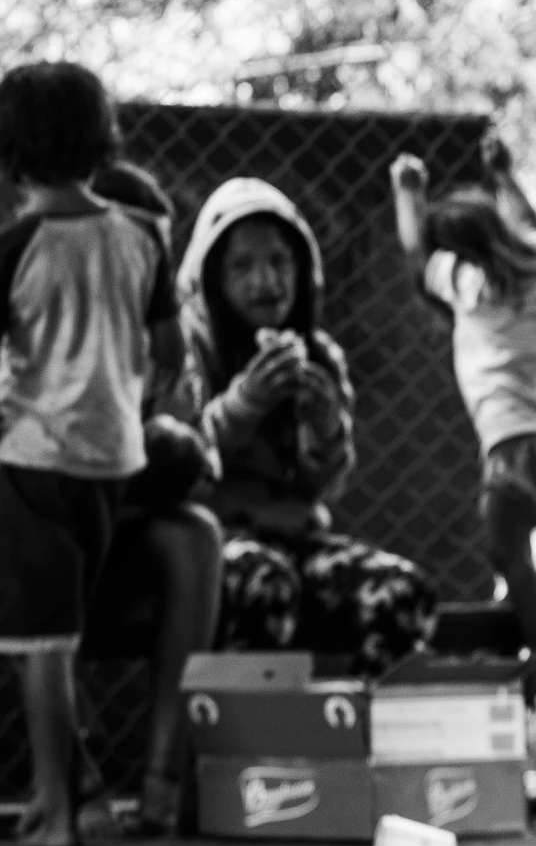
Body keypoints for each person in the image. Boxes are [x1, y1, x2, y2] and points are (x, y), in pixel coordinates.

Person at [0, 161, 222, 833]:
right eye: (132, 244)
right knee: (31, 546)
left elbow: (191, 460)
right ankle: (73, 786)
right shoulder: (33, 315)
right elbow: (5, 466)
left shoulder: (167, 344)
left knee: (194, 533)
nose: (142, 265)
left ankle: (162, 781)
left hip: (91, 525)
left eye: (155, 252)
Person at [0, 64, 182, 846]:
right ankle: (57, 801)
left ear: (6, 152)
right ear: (102, 143)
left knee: (40, 641)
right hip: (113, 464)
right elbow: (171, 354)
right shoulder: (144, 237)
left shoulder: (1, 253)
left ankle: (55, 812)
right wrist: (127, 406)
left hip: (33, 463)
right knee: (62, 629)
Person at [174, 176, 435, 675]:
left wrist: (325, 426)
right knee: (263, 582)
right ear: (212, 278)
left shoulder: (317, 354)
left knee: (401, 592)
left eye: (279, 261)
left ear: (303, 267)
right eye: (241, 266)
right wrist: (242, 407)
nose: (265, 282)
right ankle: (242, 748)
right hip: (212, 542)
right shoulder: (187, 349)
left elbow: (324, 484)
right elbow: (175, 462)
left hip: (296, 541)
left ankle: (352, 739)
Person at [390, 137, 536, 700]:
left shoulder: (473, 287)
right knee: (511, 548)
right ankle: (521, 599)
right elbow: (530, 220)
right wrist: (505, 175)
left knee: (501, 545)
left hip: (515, 447)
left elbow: (416, 253)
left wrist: (407, 192)